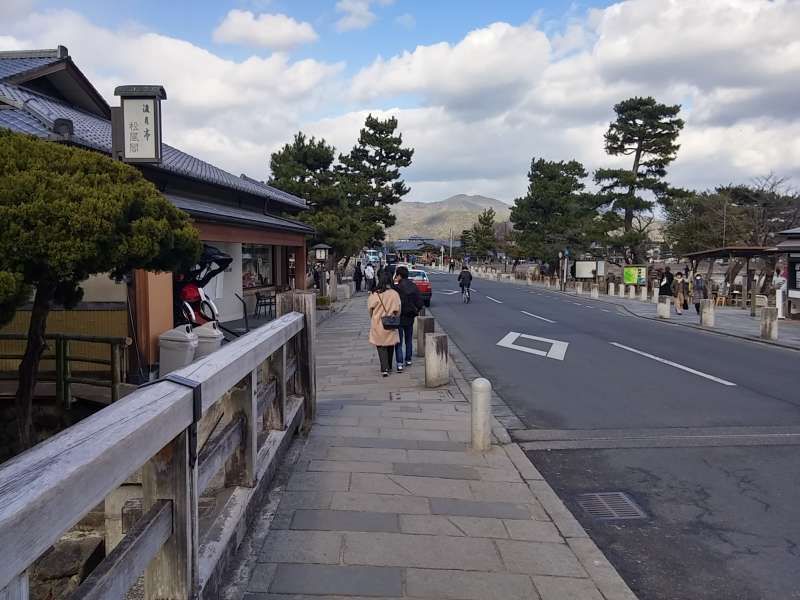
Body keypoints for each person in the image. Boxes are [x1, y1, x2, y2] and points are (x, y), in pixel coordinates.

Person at [368, 271, 401, 377]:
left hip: (378, 322)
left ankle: (384, 368)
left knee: (381, 345)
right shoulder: (394, 294)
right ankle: (389, 366)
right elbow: (398, 309)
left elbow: (370, 309)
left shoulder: (375, 294)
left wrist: (373, 317)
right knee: (390, 344)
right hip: (390, 322)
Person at [393, 266, 424, 372]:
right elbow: (420, 302)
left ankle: (400, 363)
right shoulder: (413, 286)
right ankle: (408, 359)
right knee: (408, 339)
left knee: (399, 341)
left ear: (399, 275)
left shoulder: (396, 288)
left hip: (399, 317)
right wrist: (416, 310)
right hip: (410, 316)